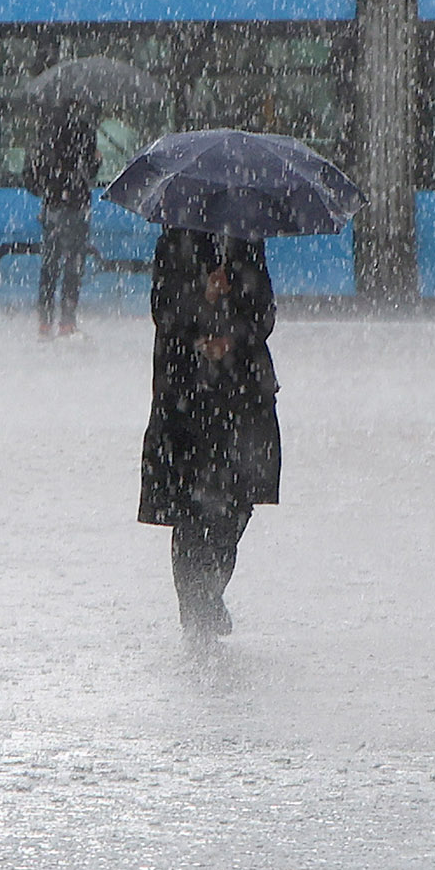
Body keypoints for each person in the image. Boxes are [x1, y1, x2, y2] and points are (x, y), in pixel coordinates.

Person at [141, 226, 279, 639]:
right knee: (189, 507)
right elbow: (163, 311)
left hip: (241, 394)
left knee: (237, 503)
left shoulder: (249, 239)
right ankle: (195, 606)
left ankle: (209, 590)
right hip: (187, 393)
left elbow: (264, 313)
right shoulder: (174, 240)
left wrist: (231, 335)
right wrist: (205, 296)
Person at [29, 102, 100, 339]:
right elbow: (90, 171)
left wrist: (50, 188)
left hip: (52, 206)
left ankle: (45, 322)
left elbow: (31, 177)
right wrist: (95, 161)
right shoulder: (85, 132)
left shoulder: (45, 133)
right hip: (77, 205)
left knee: (49, 265)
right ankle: (67, 322)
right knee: (73, 265)